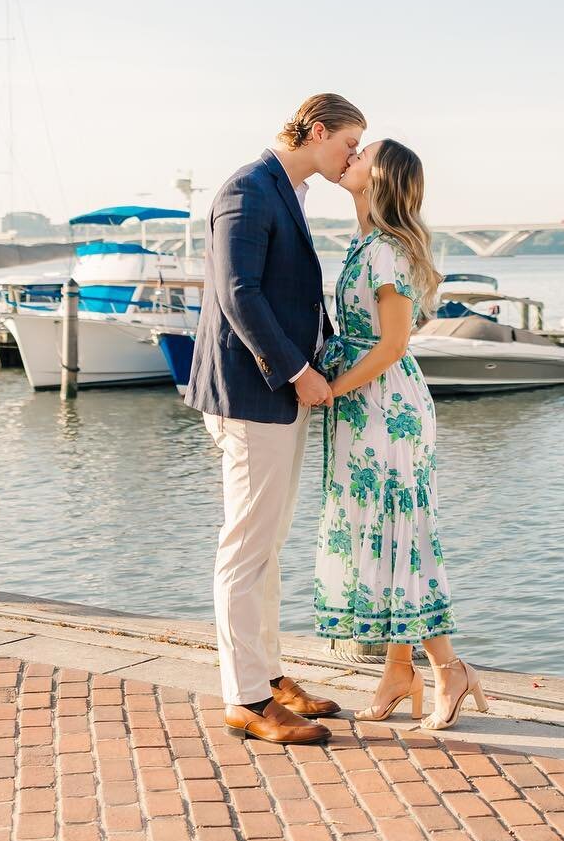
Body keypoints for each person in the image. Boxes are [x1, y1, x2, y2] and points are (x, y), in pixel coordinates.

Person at [186, 93, 367, 745]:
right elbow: (238, 292)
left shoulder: (282, 191)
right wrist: (298, 369)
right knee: (246, 544)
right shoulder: (249, 189)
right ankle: (245, 698)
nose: (352, 158)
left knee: (268, 542)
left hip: (275, 394)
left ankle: (267, 677)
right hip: (253, 392)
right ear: (318, 132)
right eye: (349, 145)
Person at [314, 139, 486, 731]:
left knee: (397, 534)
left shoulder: (386, 250)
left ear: (378, 177)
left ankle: (447, 667)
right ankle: (397, 670)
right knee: (382, 537)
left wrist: (329, 390)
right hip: (366, 405)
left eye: (362, 154)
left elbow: (392, 345)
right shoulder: (366, 243)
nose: (350, 156)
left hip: (385, 405)